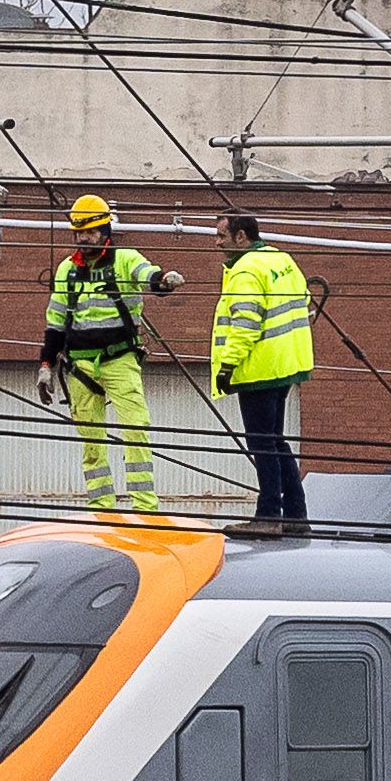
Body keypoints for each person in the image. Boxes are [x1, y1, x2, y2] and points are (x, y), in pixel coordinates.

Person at [36, 194, 185, 512]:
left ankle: (145, 507)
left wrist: (162, 281)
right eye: (78, 233)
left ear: (105, 229)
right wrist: (45, 366)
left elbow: (146, 274)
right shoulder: (67, 270)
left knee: (136, 429)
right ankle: (101, 507)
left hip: (119, 359)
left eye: (88, 232)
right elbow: (56, 322)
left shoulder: (125, 259)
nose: (82, 239)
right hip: (80, 366)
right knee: (92, 441)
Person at [209, 210, 314, 529]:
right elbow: (305, 300)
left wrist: (228, 365)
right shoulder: (282, 259)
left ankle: (268, 515)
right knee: (275, 440)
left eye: (221, 236)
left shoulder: (245, 271)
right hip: (287, 364)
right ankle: (296, 515)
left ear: (241, 237)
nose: (216, 243)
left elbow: (245, 324)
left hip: (259, 368)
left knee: (261, 443)